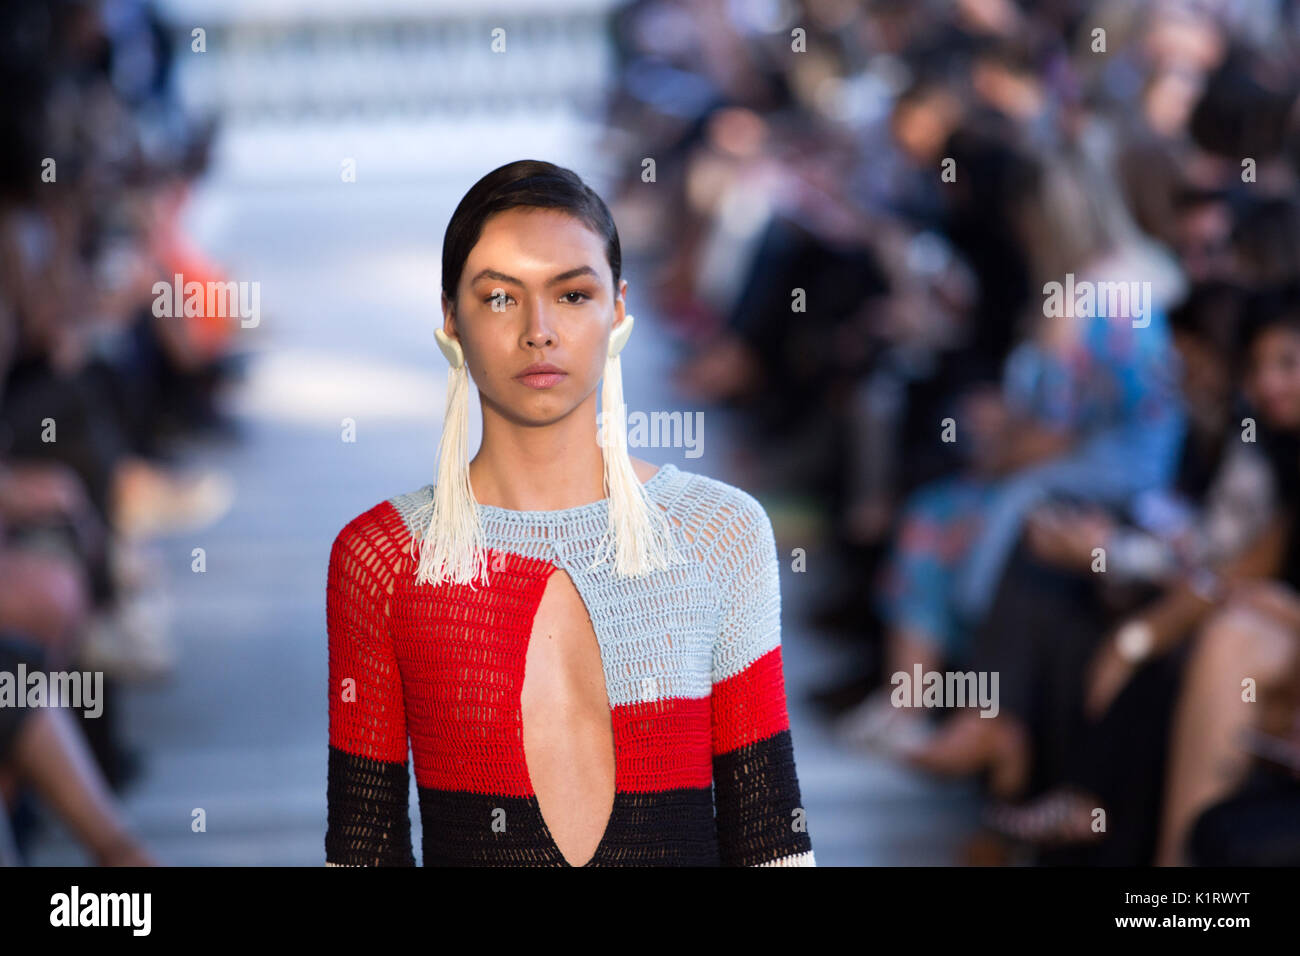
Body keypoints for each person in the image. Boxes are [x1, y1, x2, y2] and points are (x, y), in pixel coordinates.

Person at [323, 160, 815, 867]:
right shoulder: (384, 558)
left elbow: (772, 838)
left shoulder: (720, 535)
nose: (539, 330)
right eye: (499, 298)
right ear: (451, 319)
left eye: (573, 294)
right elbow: (362, 851)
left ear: (616, 310)